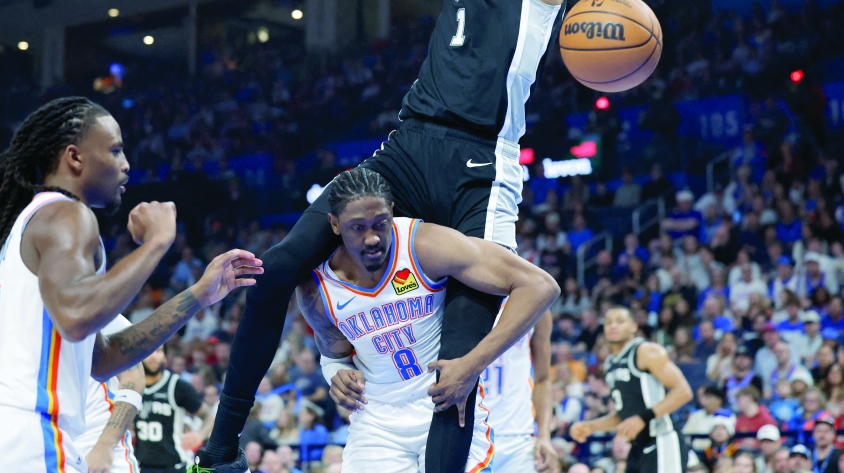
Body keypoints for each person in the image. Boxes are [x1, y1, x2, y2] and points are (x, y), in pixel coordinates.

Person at [195, 0, 575, 467]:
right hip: (405, 145)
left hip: (480, 166)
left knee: (456, 362)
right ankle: (223, 445)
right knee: (280, 265)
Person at [0, 98, 261, 473]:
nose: (126, 164)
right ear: (75, 157)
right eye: (115, 150)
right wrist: (157, 242)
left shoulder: (24, 226)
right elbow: (76, 316)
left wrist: (199, 295)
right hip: (21, 438)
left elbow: (103, 360)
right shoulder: (67, 213)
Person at [293, 168, 559, 473]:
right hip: (377, 422)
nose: (372, 238)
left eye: (381, 223)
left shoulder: (423, 244)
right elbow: (334, 355)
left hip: (444, 406)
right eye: (357, 228)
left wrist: (473, 364)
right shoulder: (317, 288)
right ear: (335, 224)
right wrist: (336, 373)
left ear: (392, 212)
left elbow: (541, 286)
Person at [570, 307, 695, 473]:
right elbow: (624, 415)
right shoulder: (610, 363)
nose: (613, 326)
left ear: (634, 327)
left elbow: (683, 391)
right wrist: (590, 427)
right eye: (608, 323)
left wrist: (643, 419)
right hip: (637, 446)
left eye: (620, 321)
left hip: (662, 440)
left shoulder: (646, 351)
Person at [482, 309, 558, 472]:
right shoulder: (458, 295)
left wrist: (544, 435)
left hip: (518, 437)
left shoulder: (538, 304)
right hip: (471, 433)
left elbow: (543, 379)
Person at [72, 315, 145, 473]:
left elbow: (134, 379)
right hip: (45, 438)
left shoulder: (101, 312)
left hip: (95, 441)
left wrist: (106, 446)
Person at [137, 346, 216, 473]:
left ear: (165, 357)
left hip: (176, 465)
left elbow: (208, 416)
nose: (153, 356)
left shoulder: (177, 386)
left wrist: (200, 435)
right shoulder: (133, 386)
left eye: (158, 351)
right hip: (142, 465)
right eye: (148, 352)